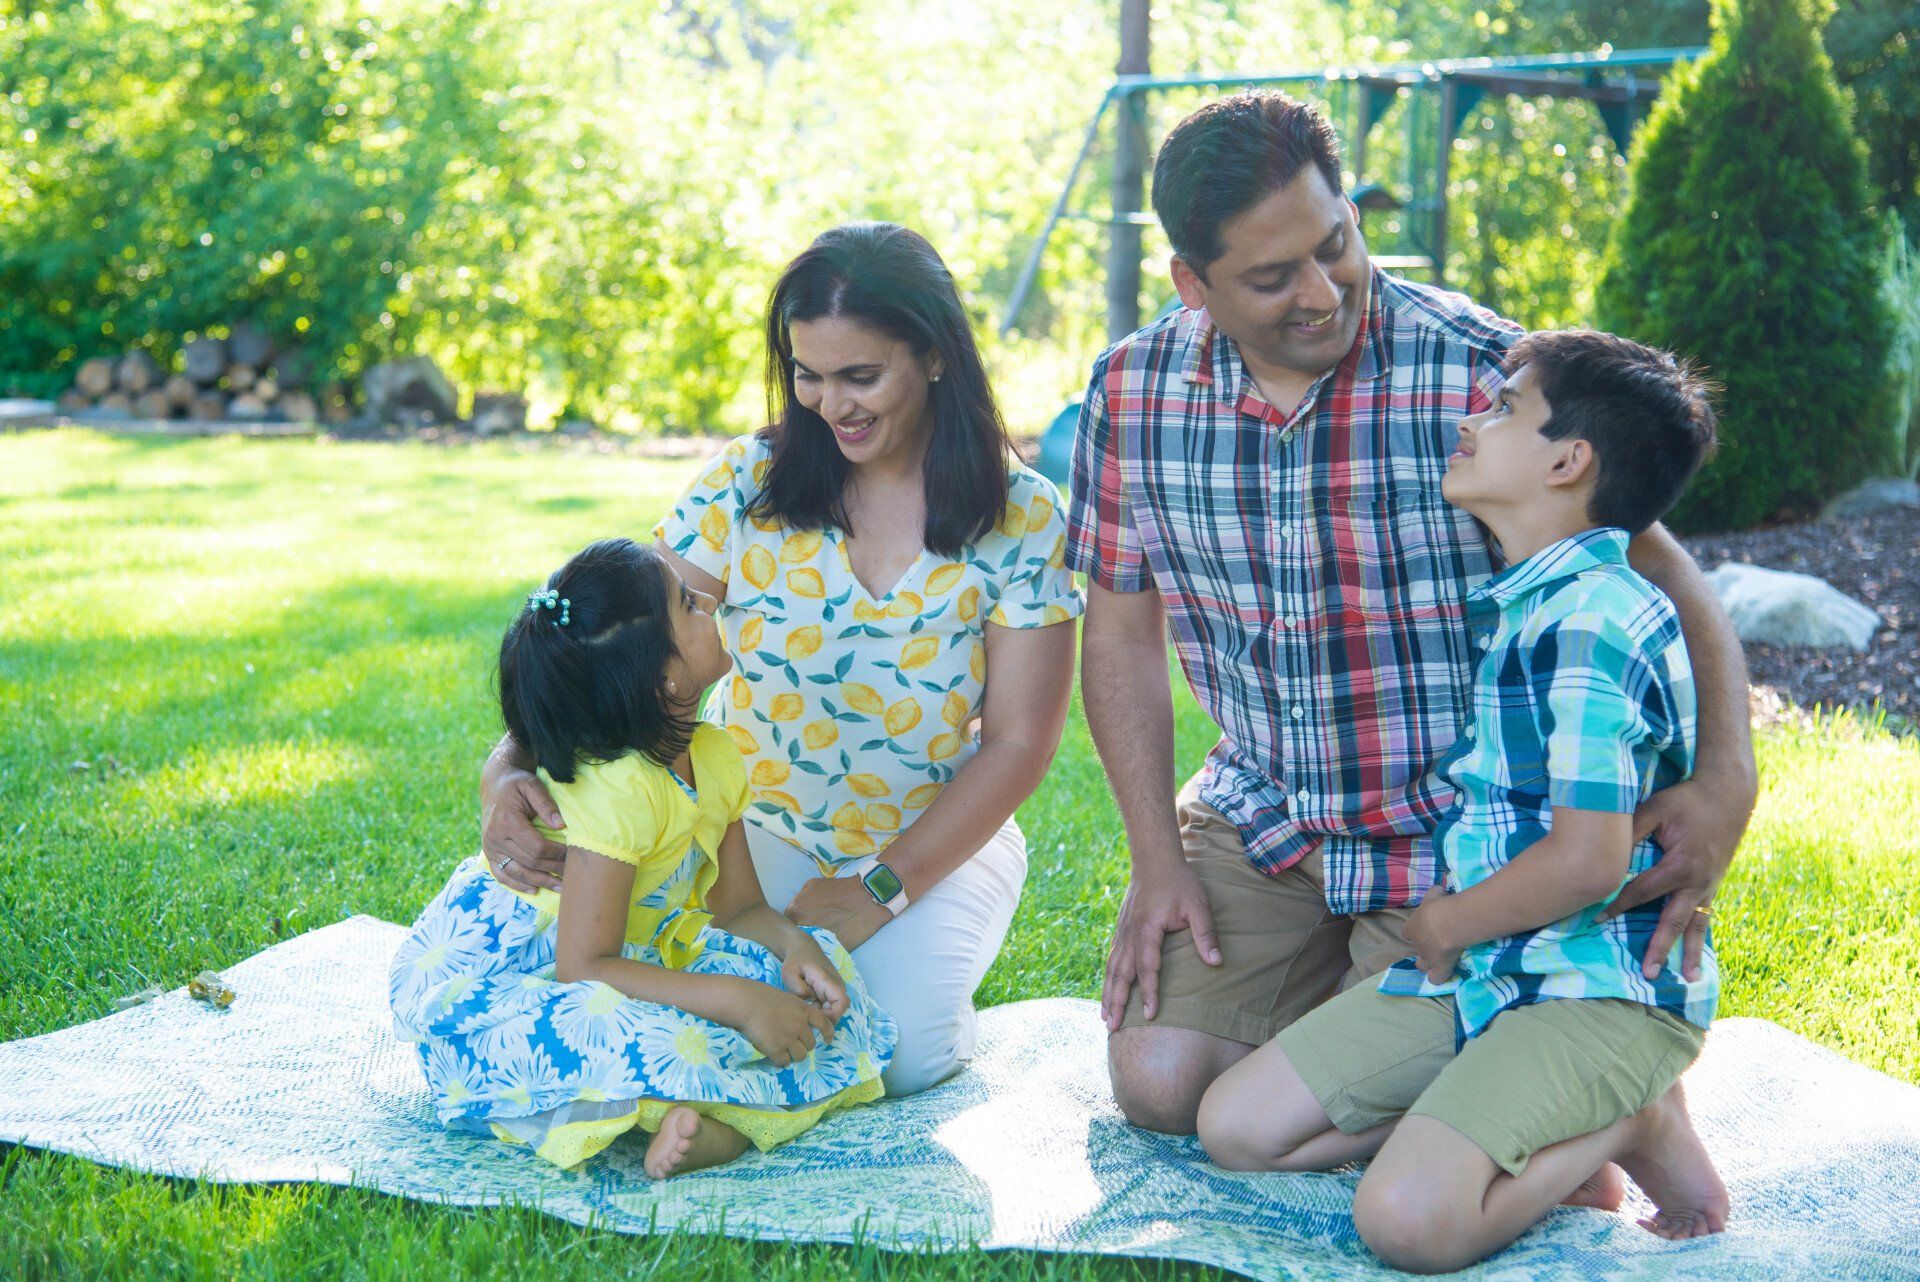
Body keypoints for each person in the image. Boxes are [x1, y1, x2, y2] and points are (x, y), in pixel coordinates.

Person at [1067, 90, 1757, 1146]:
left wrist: (1725, 783)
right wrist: (1156, 858)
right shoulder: (1133, 391)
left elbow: (1656, 571)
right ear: (1192, 285)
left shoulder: (1485, 373)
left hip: (1460, 848)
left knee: (1364, 1110)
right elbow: (1117, 632)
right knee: (1161, 1086)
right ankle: (1370, 1029)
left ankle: (1540, 1064)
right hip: (1268, 819)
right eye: (1270, 275)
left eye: (1334, 243)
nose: (1321, 290)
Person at [479, 223, 1080, 1096]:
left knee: (901, 1057)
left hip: (935, 841)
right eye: (809, 375)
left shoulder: (1025, 517)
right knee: (644, 999)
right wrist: (507, 769)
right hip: (742, 832)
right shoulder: (746, 483)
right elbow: (618, 644)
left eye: (860, 376)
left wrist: (879, 887)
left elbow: (1019, 746)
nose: (831, 405)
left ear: (937, 357)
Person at [1196, 330, 1728, 1272]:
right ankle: (1537, 1137)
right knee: (1238, 1127)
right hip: (1493, 972)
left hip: (1588, 984)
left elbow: (1589, 860)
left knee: (1406, 1222)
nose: (1470, 421)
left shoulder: (1595, 620)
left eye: (1503, 409)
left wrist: (1441, 925)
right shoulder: (1532, 601)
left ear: (1569, 461)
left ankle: (1630, 1115)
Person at [389, 539, 895, 1179]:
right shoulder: (621, 789)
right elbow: (583, 968)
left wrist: (794, 948)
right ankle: (669, 1114)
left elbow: (738, 908)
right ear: (664, 678)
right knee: (618, 1027)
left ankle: (708, 1127)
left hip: (642, 954)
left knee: (819, 1014)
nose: (711, 599)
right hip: (544, 968)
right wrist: (736, 1002)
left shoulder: (714, 758)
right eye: (688, 604)